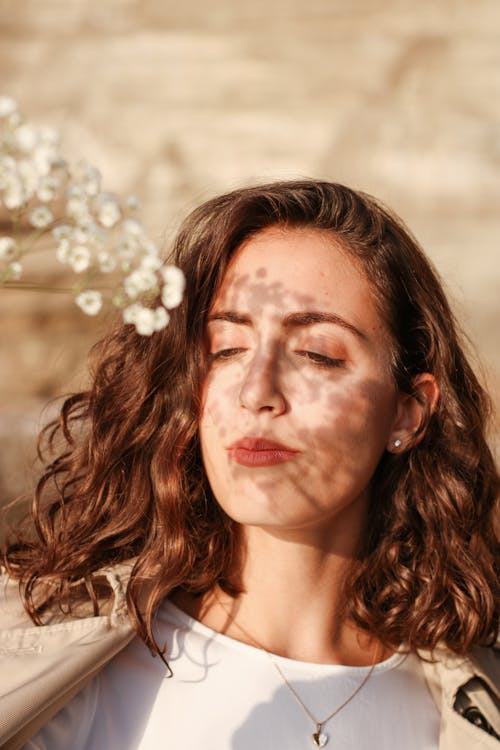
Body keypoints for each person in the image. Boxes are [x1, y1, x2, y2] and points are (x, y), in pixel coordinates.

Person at [0, 180, 498, 750]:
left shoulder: (468, 710)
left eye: (317, 354)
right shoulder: (62, 676)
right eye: (226, 349)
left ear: (407, 414)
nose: (257, 390)